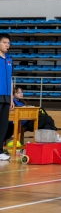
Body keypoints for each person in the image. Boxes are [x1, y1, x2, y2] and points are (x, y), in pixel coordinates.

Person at [0, 33, 13, 161]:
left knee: (3, 125)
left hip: (6, 97)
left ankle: (0, 151)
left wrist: (11, 97)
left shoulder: (9, 59)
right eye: (4, 42)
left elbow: (10, 79)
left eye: (8, 43)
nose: (7, 45)